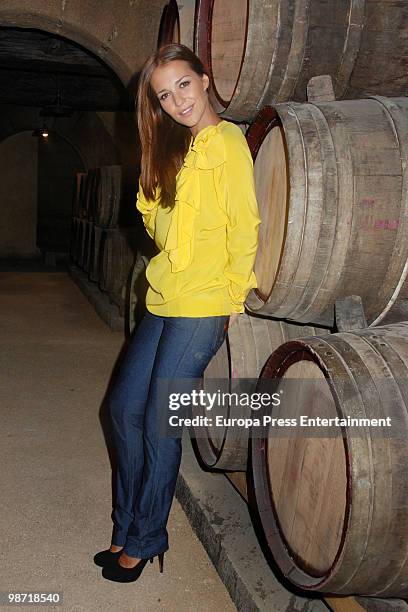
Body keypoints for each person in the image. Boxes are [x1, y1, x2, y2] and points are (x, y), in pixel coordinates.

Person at [94, 43, 261, 583]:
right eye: (163, 95)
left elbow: (246, 225)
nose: (175, 101)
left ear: (205, 79)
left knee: (160, 426)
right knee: (123, 410)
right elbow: (159, 230)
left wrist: (233, 297)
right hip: (167, 297)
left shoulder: (227, 143)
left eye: (182, 86)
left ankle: (144, 539)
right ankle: (127, 522)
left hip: (205, 303)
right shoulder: (177, 149)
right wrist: (152, 181)